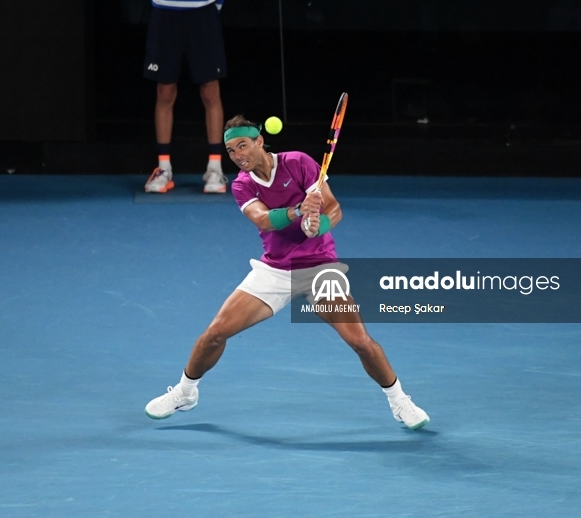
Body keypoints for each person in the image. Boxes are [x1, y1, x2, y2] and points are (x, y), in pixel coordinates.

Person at [144, 116, 430, 430]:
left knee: (360, 341)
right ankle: (185, 392)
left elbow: (333, 208)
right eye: (230, 150)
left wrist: (317, 225)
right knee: (214, 334)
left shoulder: (299, 163)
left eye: (243, 145)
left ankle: (399, 400)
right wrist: (298, 212)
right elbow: (263, 220)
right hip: (275, 270)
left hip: (320, 267)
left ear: (259, 142)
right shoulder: (242, 184)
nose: (238, 155)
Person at [143, 0, 231, 194]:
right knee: (165, 92)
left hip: (203, 20)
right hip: (167, 20)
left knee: (211, 92)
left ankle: (214, 170)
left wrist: (211, 9)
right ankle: (163, 169)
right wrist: (167, 7)